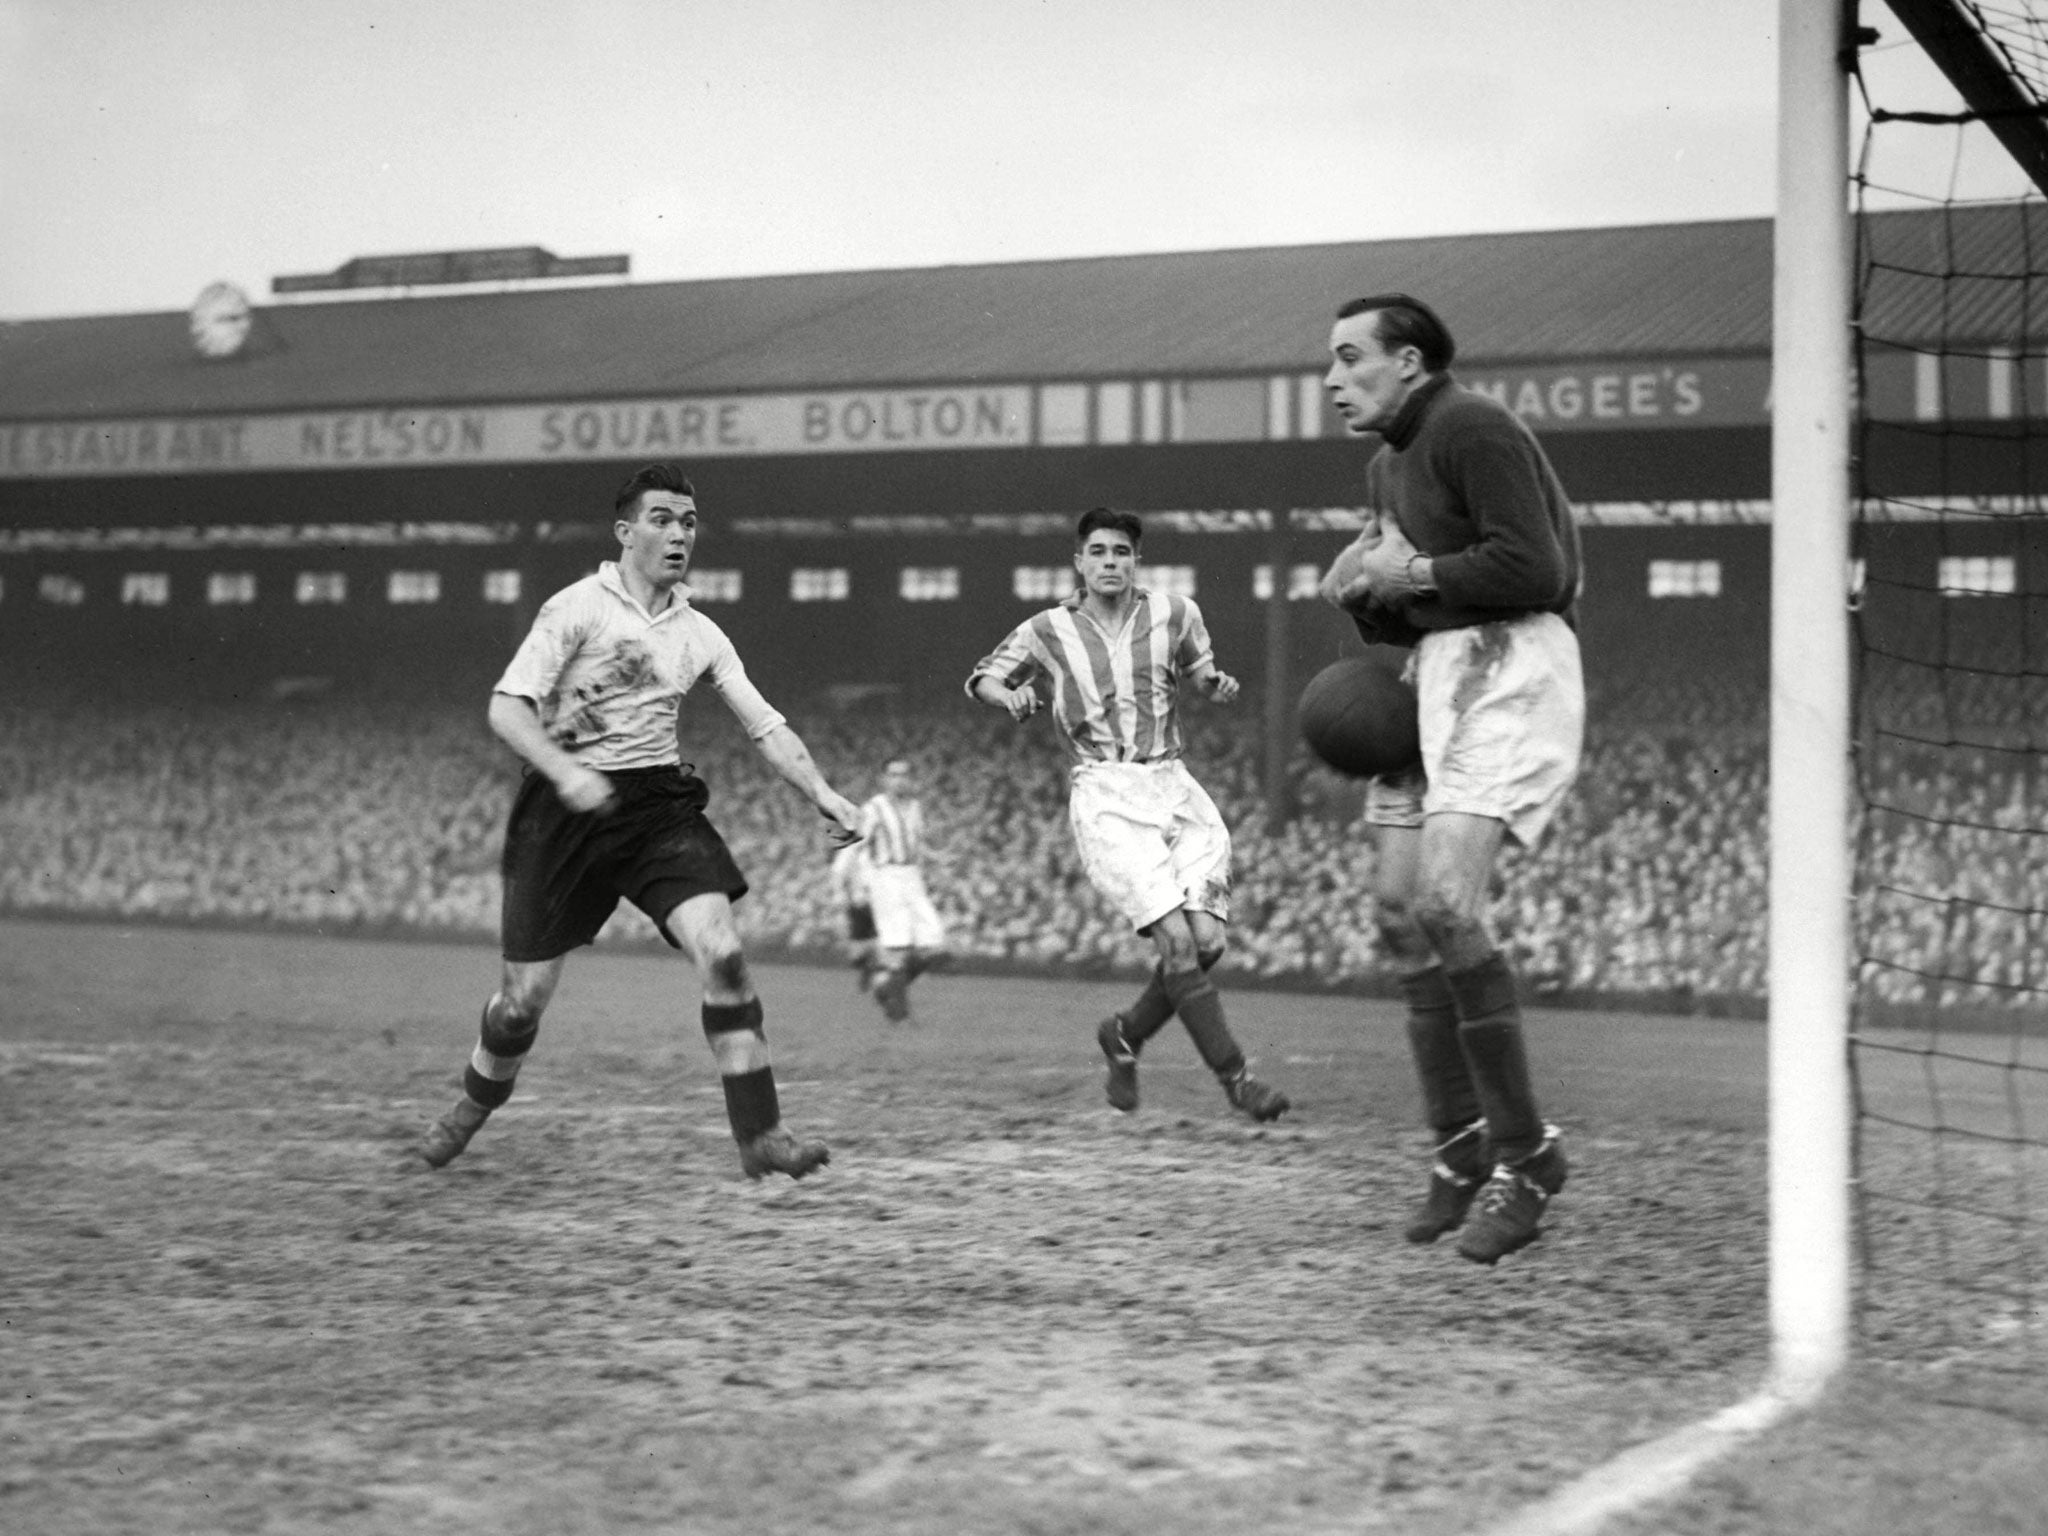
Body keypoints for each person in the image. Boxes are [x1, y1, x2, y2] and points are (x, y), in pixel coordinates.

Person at [416, 462, 863, 1180]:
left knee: (723, 955)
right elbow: (507, 709)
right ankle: (470, 1108)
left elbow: (765, 724)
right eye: (661, 518)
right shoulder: (576, 608)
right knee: (519, 1006)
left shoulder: (701, 633)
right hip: (560, 812)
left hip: (654, 807)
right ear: (625, 532)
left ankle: (762, 1134)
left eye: (688, 521)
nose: (678, 533)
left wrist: (825, 794)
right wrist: (567, 773)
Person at [1317, 293, 1584, 1264]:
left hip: (1510, 663)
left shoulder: (1472, 426)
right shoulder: (1384, 463)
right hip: (1438, 670)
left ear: (1413, 363)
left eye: (1350, 359)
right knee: (1395, 909)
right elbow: (1405, 603)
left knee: (1444, 902)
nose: (1331, 379)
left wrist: (1405, 577)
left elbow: (1532, 565)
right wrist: (1358, 597)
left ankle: (1525, 1156)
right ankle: (1461, 1143)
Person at [967, 507, 1290, 1123]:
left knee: (1208, 942)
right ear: (1079, 562)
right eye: (1099, 552)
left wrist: (1214, 684)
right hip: (1106, 791)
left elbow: (1199, 669)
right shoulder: (1047, 628)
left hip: (1173, 783)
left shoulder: (1176, 613)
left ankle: (1125, 1032)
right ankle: (1239, 1080)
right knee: (1174, 941)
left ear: (1136, 560)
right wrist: (1008, 694)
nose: (1110, 562)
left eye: (1121, 551)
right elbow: (985, 677)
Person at [859, 756, 953, 1023]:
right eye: (893, 775)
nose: (899, 780)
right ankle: (899, 1014)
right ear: (884, 779)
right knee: (898, 946)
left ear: (911, 779)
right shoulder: (874, 808)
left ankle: (884, 985)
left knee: (934, 944)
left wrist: (939, 857)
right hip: (886, 875)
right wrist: (863, 881)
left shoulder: (915, 807)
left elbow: (917, 844)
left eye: (904, 775)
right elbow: (860, 845)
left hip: (912, 875)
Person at [827, 840, 880, 993]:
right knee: (856, 956)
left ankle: (877, 972)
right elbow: (837, 871)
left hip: (879, 903)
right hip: (858, 904)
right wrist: (838, 894)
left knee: (881, 942)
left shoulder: (882, 849)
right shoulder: (850, 851)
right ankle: (868, 966)